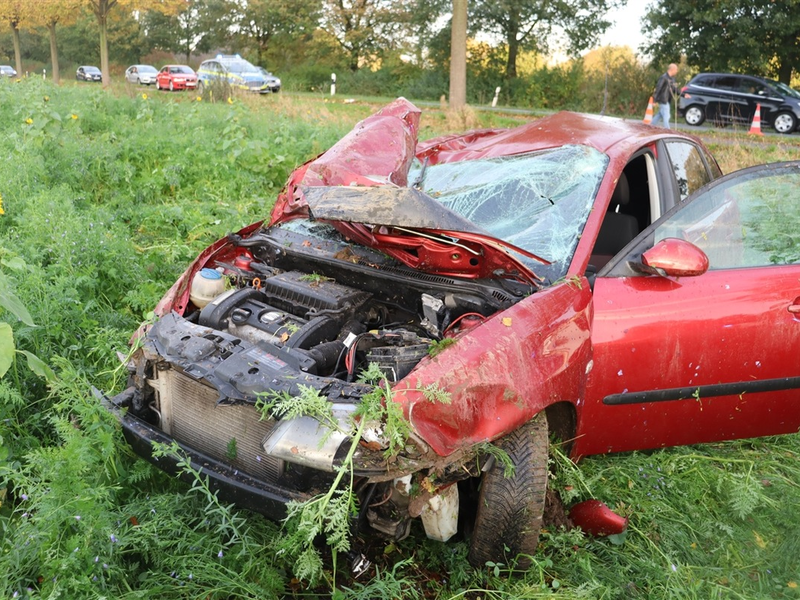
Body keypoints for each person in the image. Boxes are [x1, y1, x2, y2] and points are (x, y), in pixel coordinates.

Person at [650, 63, 678, 128]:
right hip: (663, 100)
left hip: (667, 100)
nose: (676, 71)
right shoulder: (663, 77)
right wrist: (654, 100)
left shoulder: (672, 79)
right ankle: (667, 130)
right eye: (676, 70)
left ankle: (650, 125)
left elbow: (675, 89)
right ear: (672, 69)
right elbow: (658, 88)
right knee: (667, 116)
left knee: (660, 114)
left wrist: (684, 95)